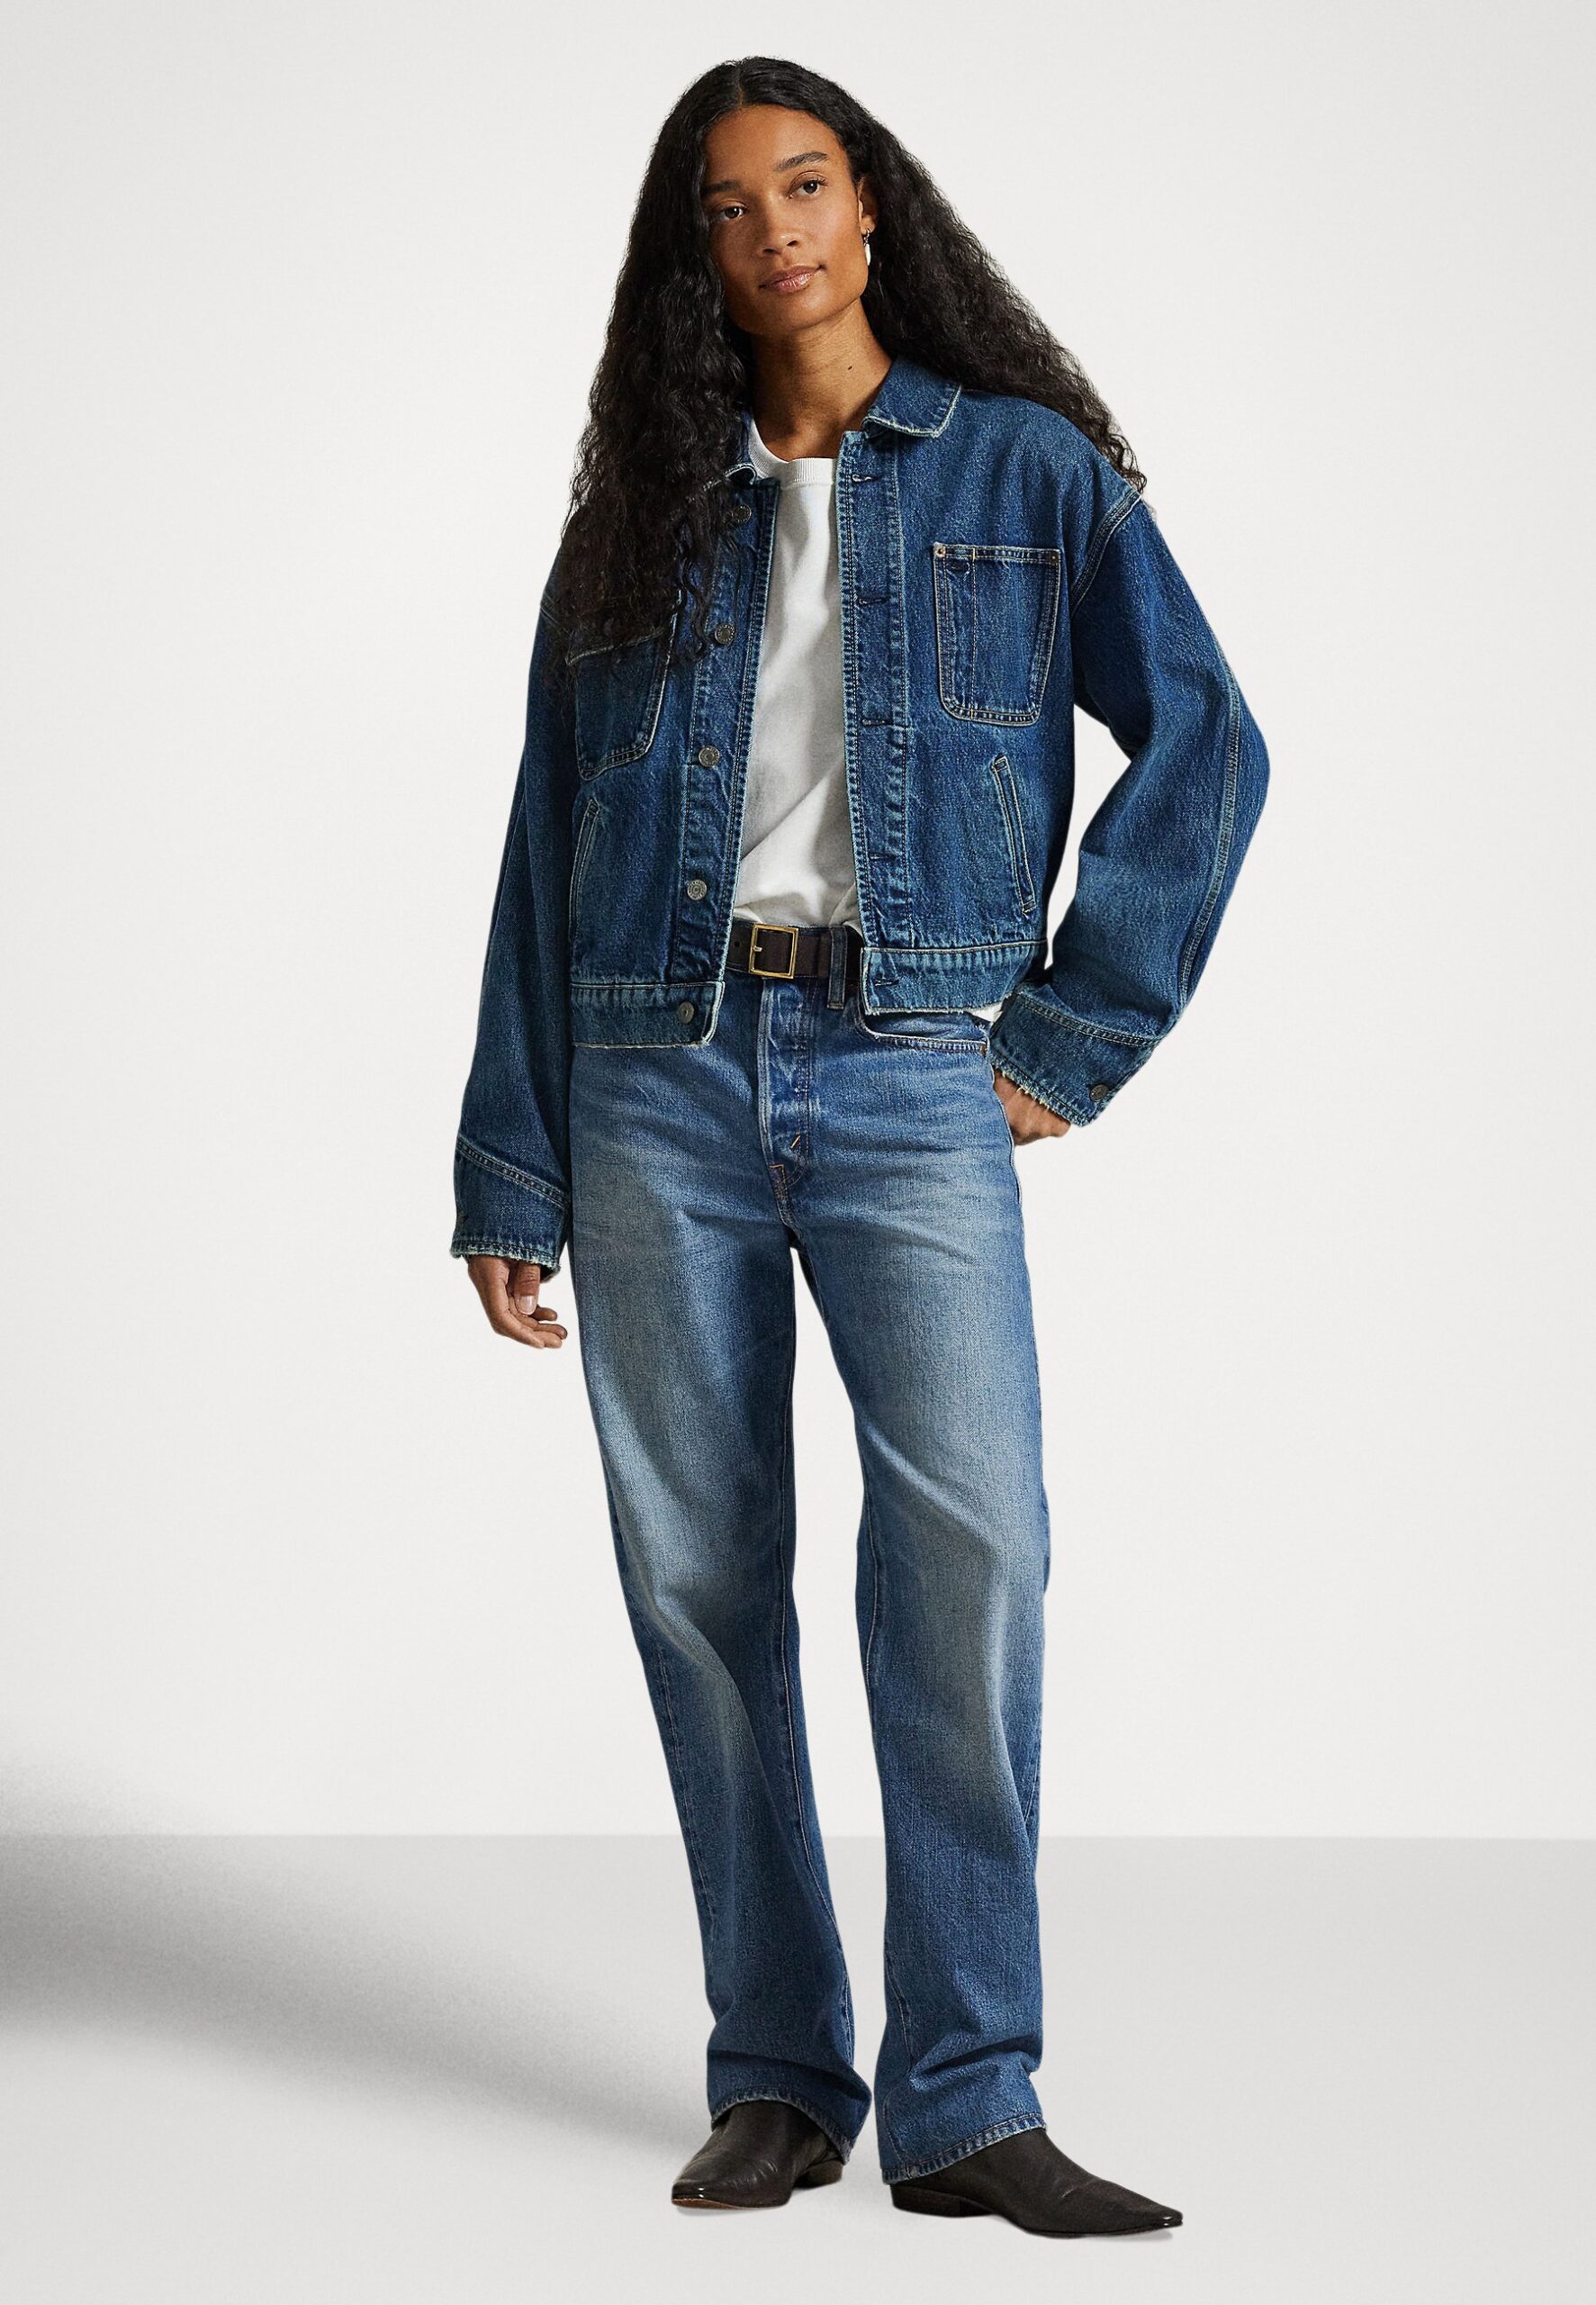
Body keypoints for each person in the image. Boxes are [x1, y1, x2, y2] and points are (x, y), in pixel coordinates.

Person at [449, 58, 1267, 2237]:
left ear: (871, 204)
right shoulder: (636, 512)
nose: (775, 230)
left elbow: (1205, 740)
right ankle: (778, 2073)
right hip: (653, 1068)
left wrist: (1070, 1032)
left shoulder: (1023, 471)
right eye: (726, 207)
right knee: (698, 1579)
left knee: (969, 1548)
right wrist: (511, 1158)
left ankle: (968, 2089)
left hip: (909, 1063)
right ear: (692, 257)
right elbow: (545, 842)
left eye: (802, 183)